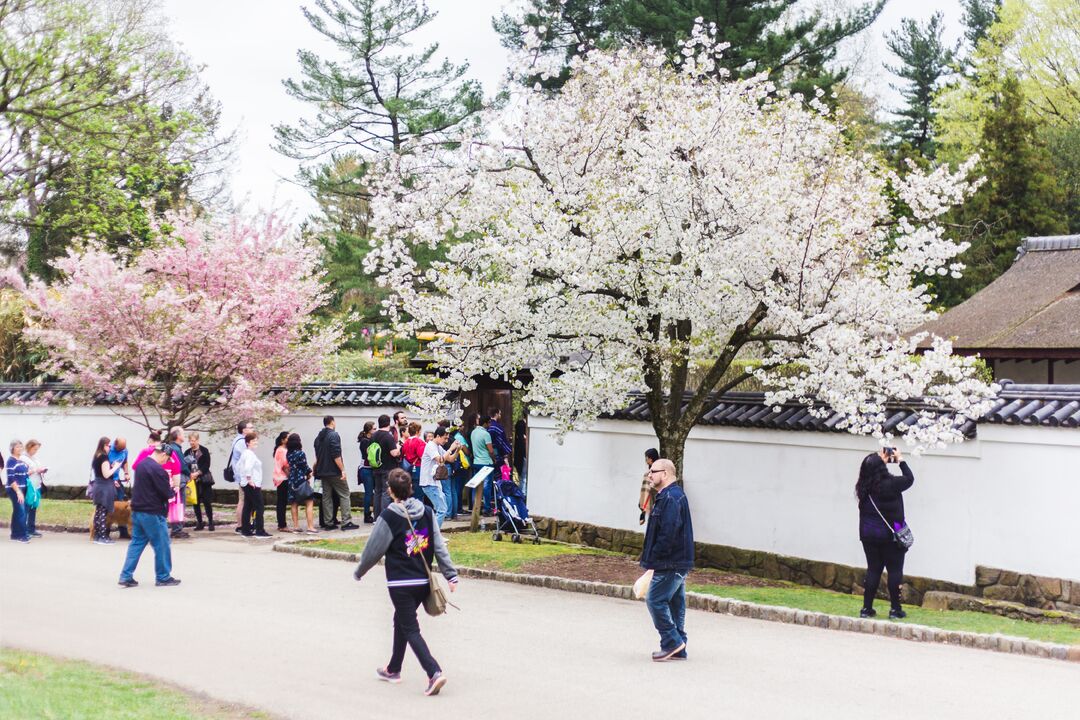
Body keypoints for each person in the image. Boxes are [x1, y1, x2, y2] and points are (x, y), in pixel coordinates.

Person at [353, 468, 458, 696]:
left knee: (410, 628)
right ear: (411, 488)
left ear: (390, 491)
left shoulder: (389, 516)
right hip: (422, 581)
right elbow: (439, 546)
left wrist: (360, 571)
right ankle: (393, 669)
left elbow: (374, 549)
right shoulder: (427, 512)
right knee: (400, 619)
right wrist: (451, 574)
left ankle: (434, 672)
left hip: (400, 583)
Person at [640, 457, 694, 662]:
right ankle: (679, 645)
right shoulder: (670, 495)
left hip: (670, 561)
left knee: (654, 599)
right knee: (675, 603)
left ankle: (671, 641)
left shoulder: (671, 498)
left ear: (665, 474)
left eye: (653, 471)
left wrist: (655, 557)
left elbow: (668, 532)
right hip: (677, 560)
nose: (649, 475)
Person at [856, 447, 914, 619]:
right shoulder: (892, 484)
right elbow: (909, 479)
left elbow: (872, 468)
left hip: (868, 535)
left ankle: (866, 609)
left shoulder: (863, 487)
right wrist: (900, 459)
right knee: (894, 571)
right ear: (881, 467)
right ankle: (895, 609)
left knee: (873, 570)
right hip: (890, 536)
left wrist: (879, 460)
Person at [118, 442, 181, 588]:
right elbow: (166, 493)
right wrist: (174, 489)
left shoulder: (141, 465)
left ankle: (126, 575)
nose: (166, 462)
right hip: (153, 512)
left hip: (137, 510)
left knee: (137, 543)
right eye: (167, 459)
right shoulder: (158, 471)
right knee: (162, 544)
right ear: (163, 454)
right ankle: (163, 577)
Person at [315, 415, 356, 531]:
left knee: (326, 497)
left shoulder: (318, 437)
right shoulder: (333, 435)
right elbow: (336, 455)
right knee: (344, 494)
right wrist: (342, 470)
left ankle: (328, 522)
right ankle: (346, 521)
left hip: (322, 471)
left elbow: (317, 456)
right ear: (332, 422)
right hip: (334, 471)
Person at [419, 427, 460, 528]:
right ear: (437, 436)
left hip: (434, 483)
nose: (446, 441)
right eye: (444, 438)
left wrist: (457, 450)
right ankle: (434, 535)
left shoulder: (437, 446)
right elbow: (441, 460)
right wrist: (450, 448)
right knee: (442, 509)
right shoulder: (431, 446)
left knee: (441, 509)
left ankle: (432, 533)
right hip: (428, 483)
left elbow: (450, 459)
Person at [236, 431, 271, 538]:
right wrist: (249, 479)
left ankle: (246, 530)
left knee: (248, 506)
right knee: (259, 506)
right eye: (253, 441)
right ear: (248, 443)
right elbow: (247, 467)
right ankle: (260, 530)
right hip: (252, 484)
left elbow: (238, 466)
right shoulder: (249, 454)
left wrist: (244, 479)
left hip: (246, 483)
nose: (256, 442)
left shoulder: (246, 453)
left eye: (256, 440)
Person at [91, 436, 122, 545]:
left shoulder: (96, 456)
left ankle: (97, 535)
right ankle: (103, 537)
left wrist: (111, 466)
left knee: (99, 512)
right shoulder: (104, 457)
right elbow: (106, 474)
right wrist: (115, 467)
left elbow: (100, 471)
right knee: (103, 513)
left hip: (98, 485)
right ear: (104, 445)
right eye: (109, 445)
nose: (110, 447)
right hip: (104, 487)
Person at [371, 415, 401, 520]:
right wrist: (399, 447)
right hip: (387, 468)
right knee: (386, 493)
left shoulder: (373, 436)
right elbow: (394, 453)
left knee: (377, 492)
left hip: (376, 467)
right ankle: (385, 518)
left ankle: (376, 517)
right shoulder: (388, 437)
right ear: (389, 423)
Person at [286, 433, 317, 534]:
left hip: (291, 481)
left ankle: (296, 526)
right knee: (309, 501)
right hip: (300, 480)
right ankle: (310, 527)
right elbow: (304, 467)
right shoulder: (301, 453)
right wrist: (309, 473)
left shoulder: (288, 454)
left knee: (294, 503)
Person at [184, 432, 214, 532]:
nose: (192, 443)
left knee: (207, 502)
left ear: (197, 440)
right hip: (192, 480)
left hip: (204, 479)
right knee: (195, 502)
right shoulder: (187, 452)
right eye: (190, 441)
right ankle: (200, 522)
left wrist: (198, 473)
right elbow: (184, 465)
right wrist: (190, 474)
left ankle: (210, 522)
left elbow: (207, 465)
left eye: (193, 440)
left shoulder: (204, 450)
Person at [165, 427, 191, 539]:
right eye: (183, 434)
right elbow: (182, 465)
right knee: (179, 504)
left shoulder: (172, 447)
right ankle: (177, 529)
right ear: (178, 436)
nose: (184, 436)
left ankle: (176, 528)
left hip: (174, 480)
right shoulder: (176, 449)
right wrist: (189, 473)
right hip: (179, 480)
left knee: (175, 504)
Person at [229, 420, 254, 533]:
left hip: (241, 475)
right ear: (244, 430)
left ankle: (243, 523)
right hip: (243, 476)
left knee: (243, 499)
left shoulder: (238, 440)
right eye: (251, 427)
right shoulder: (241, 442)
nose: (253, 429)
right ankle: (241, 524)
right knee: (243, 500)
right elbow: (246, 459)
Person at [469, 415, 496, 514]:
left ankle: (475, 506)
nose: (490, 425)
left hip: (476, 461)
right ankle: (487, 508)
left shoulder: (473, 432)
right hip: (486, 462)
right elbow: (491, 450)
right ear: (485, 423)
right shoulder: (486, 434)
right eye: (489, 423)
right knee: (486, 486)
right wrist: (494, 459)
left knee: (476, 484)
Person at [5, 440, 31, 543]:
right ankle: (22, 535)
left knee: (18, 511)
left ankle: (15, 534)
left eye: (21, 447)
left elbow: (24, 474)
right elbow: (11, 479)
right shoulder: (11, 461)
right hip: (15, 489)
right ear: (12, 449)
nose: (20, 449)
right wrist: (18, 492)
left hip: (23, 488)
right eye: (17, 447)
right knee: (21, 512)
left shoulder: (20, 460)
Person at [22, 439, 47, 538]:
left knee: (33, 508)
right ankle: (24, 530)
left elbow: (37, 469)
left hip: (37, 485)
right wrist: (36, 470)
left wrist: (42, 470)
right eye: (34, 449)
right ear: (29, 447)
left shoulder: (34, 458)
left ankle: (31, 529)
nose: (36, 451)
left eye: (37, 449)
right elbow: (25, 472)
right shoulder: (23, 458)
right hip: (29, 485)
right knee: (27, 508)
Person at [449, 424, 470, 518]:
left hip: (457, 466)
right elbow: (466, 451)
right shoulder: (459, 437)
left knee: (456, 488)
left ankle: (457, 508)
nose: (463, 427)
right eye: (461, 425)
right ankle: (458, 508)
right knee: (458, 488)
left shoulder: (453, 437)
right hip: (461, 466)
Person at [272, 431, 291, 532]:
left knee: (282, 501)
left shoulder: (282, 449)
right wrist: (290, 475)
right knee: (282, 502)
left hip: (281, 477)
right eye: (287, 438)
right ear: (283, 440)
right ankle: (282, 524)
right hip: (282, 478)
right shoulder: (281, 450)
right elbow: (284, 466)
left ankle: (281, 523)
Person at [358, 422, 376, 523]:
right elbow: (369, 455)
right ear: (369, 430)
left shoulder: (369, 440)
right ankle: (366, 514)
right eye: (374, 429)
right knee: (368, 493)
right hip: (366, 468)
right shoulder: (365, 441)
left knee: (371, 492)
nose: (375, 431)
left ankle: (370, 513)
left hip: (370, 468)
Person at [638, 448, 660, 525]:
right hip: (660, 503)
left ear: (650, 459)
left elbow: (646, 491)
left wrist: (642, 506)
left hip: (653, 504)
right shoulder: (663, 471)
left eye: (646, 458)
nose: (646, 461)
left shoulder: (649, 474)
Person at [513, 413, 528, 492]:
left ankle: (522, 492)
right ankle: (523, 493)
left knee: (522, 476)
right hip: (523, 454)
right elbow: (522, 440)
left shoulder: (521, 424)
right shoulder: (522, 425)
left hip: (521, 454)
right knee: (523, 476)